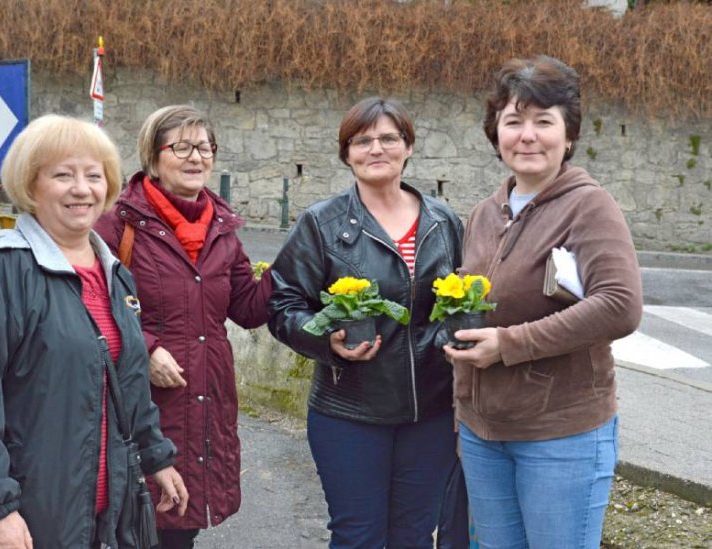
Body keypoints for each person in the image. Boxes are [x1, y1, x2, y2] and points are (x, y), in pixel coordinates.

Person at [0, 114, 188, 549]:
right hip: (31, 516)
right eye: (62, 175)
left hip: (108, 515)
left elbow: (127, 386)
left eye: (93, 175)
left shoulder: (115, 276)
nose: (82, 189)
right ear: (31, 186)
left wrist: (156, 455)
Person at [444, 56, 643, 548]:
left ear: (568, 135)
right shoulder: (483, 214)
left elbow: (620, 304)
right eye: (513, 122)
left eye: (543, 121)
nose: (527, 135)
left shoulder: (589, 206)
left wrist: (508, 344)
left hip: (561, 435)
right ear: (497, 136)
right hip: (482, 433)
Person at [268, 97, 468, 548]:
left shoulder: (444, 221)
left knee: (414, 536)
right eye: (362, 140)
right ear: (347, 153)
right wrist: (327, 341)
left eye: (388, 138)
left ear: (408, 147)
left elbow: (463, 301)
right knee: (358, 536)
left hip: (432, 412)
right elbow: (282, 304)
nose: (375, 148)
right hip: (350, 412)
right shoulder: (321, 224)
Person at [95, 105, 272, 549]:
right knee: (131, 522)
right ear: (153, 156)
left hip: (203, 406)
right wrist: (146, 347)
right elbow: (90, 300)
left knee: (179, 525)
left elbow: (248, 308)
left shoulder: (222, 228)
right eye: (182, 147)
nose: (197, 157)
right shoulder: (118, 221)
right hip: (138, 406)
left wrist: (296, 260)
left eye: (205, 147)